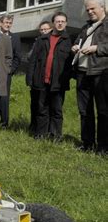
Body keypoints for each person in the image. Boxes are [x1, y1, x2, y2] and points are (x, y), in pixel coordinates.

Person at [27, 12, 73, 140]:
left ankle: (55, 136)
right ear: (53, 23)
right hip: (41, 81)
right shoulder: (42, 39)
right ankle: (41, 134)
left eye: (63, 21)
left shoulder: (68, 41)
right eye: (57, 21)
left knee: (57, 111)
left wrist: (66, 78)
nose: (60, 23)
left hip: (58, 83)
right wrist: (30, 78)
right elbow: (33, 60)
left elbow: (70, 64)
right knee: (42, 109)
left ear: (66, 23)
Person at [72, 0, 108, 155]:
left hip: (101, 73)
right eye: (87, 9)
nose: (89, 12)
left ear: (103, 8)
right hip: (82, 73)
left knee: (103, 111)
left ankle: (103, 147)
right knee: (84, 110)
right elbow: (79, 40)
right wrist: (75, 46)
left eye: (93, 8)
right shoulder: (86, 27)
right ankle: (87, 143)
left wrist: (96, 48)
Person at [27, 21, 53, 133]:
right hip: (36, 78)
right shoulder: (37, 41)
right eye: (41, 30)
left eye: (46, 29)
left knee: (44, 106)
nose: (43, 31)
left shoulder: (52, 41)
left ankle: (44, 129)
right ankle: (33, 126)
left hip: (47, 79)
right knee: (34, 104)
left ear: (51, 29)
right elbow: (30, 57)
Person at [0, 14, 22, 129]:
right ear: (0, 23)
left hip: (6, 73)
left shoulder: (15, 37)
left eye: (10, 23)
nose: (8, 25)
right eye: (6, 22)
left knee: (4, 98)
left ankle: (4, 123)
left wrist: (10, 71)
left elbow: (18, 56)